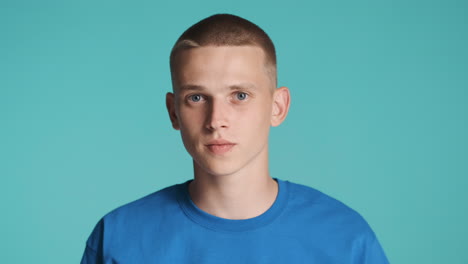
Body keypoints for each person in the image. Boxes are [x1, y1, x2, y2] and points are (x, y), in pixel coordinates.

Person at [81, 14, 389, 263]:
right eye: (197, 97)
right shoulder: (119, 238)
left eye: (239, 95)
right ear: (173, 112)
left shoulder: (345, 239)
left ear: (277, 107)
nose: (216, 121)